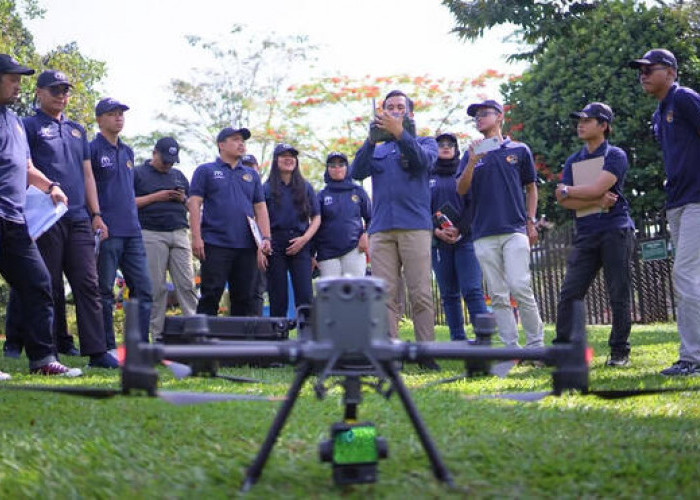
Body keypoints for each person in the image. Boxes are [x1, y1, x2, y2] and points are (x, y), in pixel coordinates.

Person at [3, 70, 116, 368]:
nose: (61, 95)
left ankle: (97, 350)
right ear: (39, 93)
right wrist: (47, 189)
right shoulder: (26, 125)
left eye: (66, 90)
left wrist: (96, 214)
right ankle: (45, 349)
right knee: (46, 283)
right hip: (44, 215)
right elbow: (21, 167)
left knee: (88, 283)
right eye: (55, 90)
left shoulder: (78, 131)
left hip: (77, 214)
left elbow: (88, 174)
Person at [0, 54, 81, 377]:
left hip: (15, 220)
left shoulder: (16, 122)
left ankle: (43, 360)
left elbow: (28, 167)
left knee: (38, 283)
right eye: (12, 78)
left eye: (20, 79)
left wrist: (51, 186)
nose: (19, 85)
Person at [350, 89, 439, 370]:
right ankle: (390, 354)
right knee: (385, 295)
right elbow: (356, 172)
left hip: (415, 227)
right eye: (389, 107)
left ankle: (425, 352)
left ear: (410, 113)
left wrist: (401, 134)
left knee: (421, 293)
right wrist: (370, 139)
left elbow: (422, 163)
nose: (394, 110)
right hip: (381, 230)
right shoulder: (378, 148)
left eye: (400, 107)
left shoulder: (426, 142)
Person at [630, 49, 700, 375]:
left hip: (698, 201)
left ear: (670, 71)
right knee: (689, 279)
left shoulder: (684, 98)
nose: (642, 74)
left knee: (685, 275)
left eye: (649, 69)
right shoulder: (660, 113)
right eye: (640, 70)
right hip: (677, 202)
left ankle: (693, 359)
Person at [456, 99, 544, 349]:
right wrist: (472, 161)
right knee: (497, 294)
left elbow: (531, 188)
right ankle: (510, 347)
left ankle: (536, 344)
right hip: (483, 233)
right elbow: (461, 189)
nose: (479, 119)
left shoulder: (519, 150)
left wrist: (531, 221)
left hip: (515, 229)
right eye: (476, 116)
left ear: (499, 117)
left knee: (520, 285)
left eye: (484, 114)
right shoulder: (470, 154)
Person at [553, 102, 635, 366]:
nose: (580, 124)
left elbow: (598, 186)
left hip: (616, 230)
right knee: (570, 293)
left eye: (587, 120)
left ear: (604, 125)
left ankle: (620, 351)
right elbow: (564, 202)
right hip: (586, 234)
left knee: (618, 292)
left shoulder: (616, 155)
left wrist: (568, 190)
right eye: (579, 120)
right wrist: (595, 200)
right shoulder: (573, 160)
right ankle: (563, 350)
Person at [188, 127, 271, 316]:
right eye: (235, 139)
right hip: (216, 243)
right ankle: (203, 341)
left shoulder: (252, 175)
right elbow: (194, 203)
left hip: (247, 245)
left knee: (245, 297)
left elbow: (260, 207)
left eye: (242, 140)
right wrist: (196, 238)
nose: (241, 143)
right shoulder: (206, 170)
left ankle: (241, 343)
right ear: (221, 145)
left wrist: (265, 238)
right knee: (211, 293)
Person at [90, 97, 153, 348]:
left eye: (121, 114)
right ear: (99, 119)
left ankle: (139, 345)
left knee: (144, 290)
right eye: (112, 113)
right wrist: (96, 218)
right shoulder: (91, 149)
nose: (119, 117)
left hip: (132, 231)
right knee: (104, 291)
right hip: (107, 230)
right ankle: (106, 346)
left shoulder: (128, 151)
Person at [134, 137, 198, 337]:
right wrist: (157, 196)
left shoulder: (178, 175)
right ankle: (157, 335)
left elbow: (192, 205)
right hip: (151, 233)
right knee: (156, 287)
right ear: (154, 153)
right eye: (165, 160)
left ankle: (195, 332)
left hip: (179, 232)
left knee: (187, 284)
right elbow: (128, 203)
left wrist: (182, 198)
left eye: (172, 161)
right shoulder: (138, 173)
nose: (168, 165)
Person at [430, 132, 488, 342]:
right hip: (438, 242)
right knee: (448, 294)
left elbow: (474, 204)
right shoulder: (427, 176)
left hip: (466, 240)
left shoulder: (465, 171)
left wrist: (460, 230)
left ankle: (484, 338)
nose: (445, 147)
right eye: (441, 144)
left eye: (450, 144)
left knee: (472, 290)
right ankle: (458, 339)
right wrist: (436, 231)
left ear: (456, 149)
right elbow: (420, 209)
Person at [263, 143, 320, 317]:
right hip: (275, 245)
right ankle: (278, 338)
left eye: (292, 156)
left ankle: (307, 339)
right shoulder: (265, 188)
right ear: (276, 160)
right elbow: (259, 217)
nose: (289, 159)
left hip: (301, 243)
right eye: (284, 156)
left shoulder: (306, 187)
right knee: (277, 296)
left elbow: (316, 217)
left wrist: (304, 240)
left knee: (305, 297)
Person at [314, 151, 371, 277]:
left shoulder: (358, 191)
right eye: (332, 165)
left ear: (347, 167)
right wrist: (311, 254)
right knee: (331, 294)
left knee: (355, 292)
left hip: (354, 249)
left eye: (341, 164)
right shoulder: (321, 196)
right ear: (327, 169)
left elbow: (371, 218)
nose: (337, 168)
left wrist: (366, 235)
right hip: (327, 253)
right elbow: (313, 226)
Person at [241, 153, 267, 315]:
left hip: (260, 247)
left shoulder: (265, 191)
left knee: (257, 291)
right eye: (245, 167)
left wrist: (262, 247)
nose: (249, 171)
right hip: (237, 246)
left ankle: (256, 330)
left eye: (252, 167)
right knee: (241, 292)